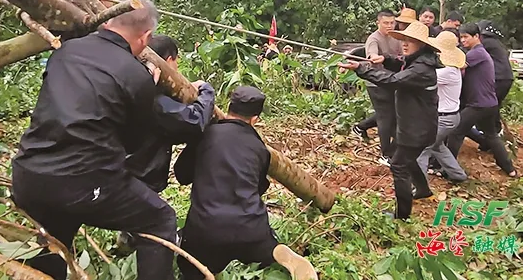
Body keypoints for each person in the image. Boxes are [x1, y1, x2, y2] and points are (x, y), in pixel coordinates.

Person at [11, 0, 178, 280]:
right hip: (85, 182)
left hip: (29, 175)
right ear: (146, 37)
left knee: (56, 237)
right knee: (160, 220)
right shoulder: (136, 75)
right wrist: (146, 87)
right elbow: (134, 142)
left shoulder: (66, 51)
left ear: (108, 22)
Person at [174, 86, 318, 280]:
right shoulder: (260, 148)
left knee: (190, 264)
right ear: (255, 119)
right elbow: (259, 188)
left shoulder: (205, 135)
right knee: (259, 246)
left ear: (229, 106)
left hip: (207, 228)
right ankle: (272, 250)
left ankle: (206, 272)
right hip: (250, 229)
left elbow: (181, 174)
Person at [120, 34, 215, 250]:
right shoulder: (154, 100)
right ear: (168, 60)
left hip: (129, 169)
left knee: (138, 219)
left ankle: (128, 243)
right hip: (137, 176)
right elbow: (193, 121)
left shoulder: (131, 83)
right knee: (161, 220)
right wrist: (206, 91)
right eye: (176, 63)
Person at [339, 21, 439, 220]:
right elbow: (400, 63)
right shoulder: (420, 60)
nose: (405, 44)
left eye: (410, 41)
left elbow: (393, 81)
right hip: (416, 126)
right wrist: (384, 58)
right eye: (403, 40)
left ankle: (402, 216)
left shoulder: (421, 69)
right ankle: (423, 189)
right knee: (403, 158)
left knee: (398, 165)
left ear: (422, 44)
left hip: (416, 129)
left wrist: (362, 68)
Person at [446, 23, 517, 178]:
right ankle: (510, 169)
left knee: (456, 131)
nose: (463, 40)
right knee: (491, 135)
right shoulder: (479, 53)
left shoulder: (477, 53)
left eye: (466, 37)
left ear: (477, 37)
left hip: (479, 104)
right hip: (490, 103)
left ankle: (448, 169)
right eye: (461, 37)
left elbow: (457, 63)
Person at [351, 10, 402, 164]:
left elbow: (402, 55)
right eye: (386, 23)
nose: (389, 25)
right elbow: (372, 55)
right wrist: (375, 58)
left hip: (391, 80)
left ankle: (360, 127)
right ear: (378, 23)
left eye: (392, 22)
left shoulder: (396, 37)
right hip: (375, 82)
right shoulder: (373, 39)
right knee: (385, 117)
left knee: (393, 113)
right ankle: (386, 155)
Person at [416, 30, 467, 183]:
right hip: (448, 117)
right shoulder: (451, 69)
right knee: (437, 147)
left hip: (445, 118)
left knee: (423, 147)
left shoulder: (447, 72)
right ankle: (459, 176)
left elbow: (422, 78)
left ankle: (419, 185)